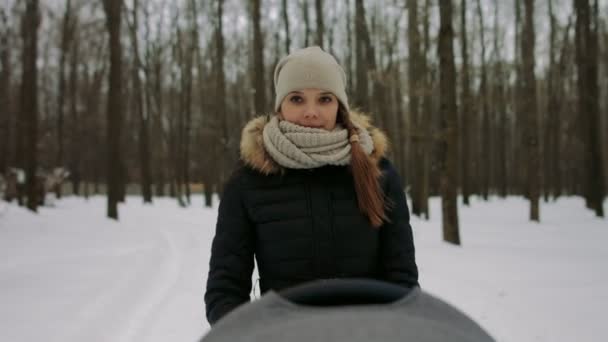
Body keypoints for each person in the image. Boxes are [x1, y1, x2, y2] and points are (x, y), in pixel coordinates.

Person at [204, 46, 418, 325]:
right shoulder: (249, 182)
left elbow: (402, 281)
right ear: (280, 106)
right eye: (297, 98)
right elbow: (226, 289)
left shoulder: (378, 173)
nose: (311, 112)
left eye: (324, 99)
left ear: (339, 106)